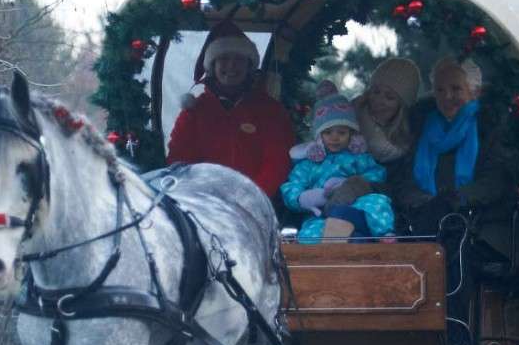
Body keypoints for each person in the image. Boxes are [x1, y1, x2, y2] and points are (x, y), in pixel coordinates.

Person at [387, 56, 519, 261]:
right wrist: (427, 203)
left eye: (456, 89)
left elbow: (495, 181)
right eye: (440, 90)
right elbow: (403, 180)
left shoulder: (492, 126)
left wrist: (455, 201)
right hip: (423, 223)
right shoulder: (421, 127)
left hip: (480, 227)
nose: (447, 96)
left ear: (474, 91)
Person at [167, 20, 294, 198]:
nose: (231, 66)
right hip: (205, 201)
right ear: (213, 66)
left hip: (256, 201)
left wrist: (251, 197)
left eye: (239, 60)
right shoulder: (194, 111)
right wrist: (203, 196)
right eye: (224, 60)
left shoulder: (270, 111)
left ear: (249, 66)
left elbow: (277, 162)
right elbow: (180, 160)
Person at [280, 91, 395, 243]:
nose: (335, 138)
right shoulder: (308, 164)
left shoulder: (359, 158)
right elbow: (292, 185)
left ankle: (384, 235)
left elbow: (376, 175)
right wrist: (302, 198)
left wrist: (352, 184)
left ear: (351, 133)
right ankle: (323, 254)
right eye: (328, 132)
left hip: (354, 204)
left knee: (377, 202)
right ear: (319, 135)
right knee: (309, 235)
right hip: (320, 213)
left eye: (341, 132)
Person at [354, 57, 422, 165]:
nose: (379, 100)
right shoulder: (352, 111)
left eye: (389, 97)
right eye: (376, 92)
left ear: (402, 107)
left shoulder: (398, 149)